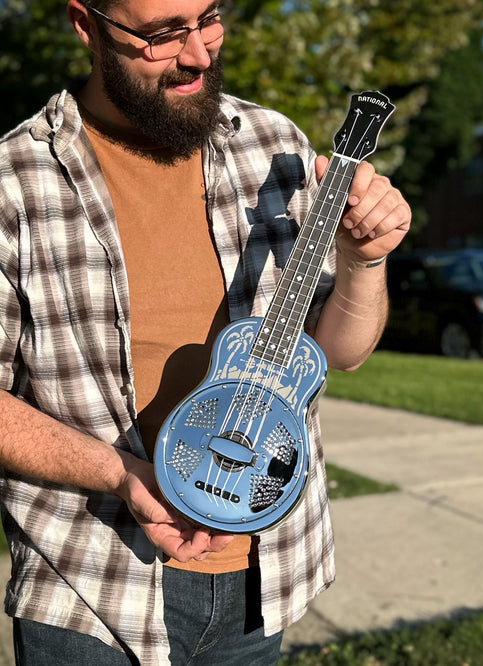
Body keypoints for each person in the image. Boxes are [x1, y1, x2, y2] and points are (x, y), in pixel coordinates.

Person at [0, 1, 411, 664]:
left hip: (264, 576)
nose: (198, 53)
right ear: (86, 25)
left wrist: (365, 260)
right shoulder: (14, 181)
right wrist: (120, 473)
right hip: (91, 584)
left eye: (210, 17)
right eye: (162, 34)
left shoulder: (274, 145)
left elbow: (334, 353)